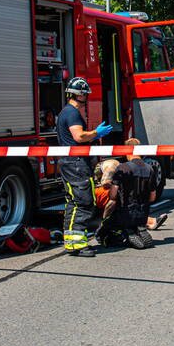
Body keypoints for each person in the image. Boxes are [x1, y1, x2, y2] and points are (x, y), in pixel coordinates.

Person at [57, 77, 113, 257]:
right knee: (83, 202)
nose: (87, 98)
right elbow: (79, 137)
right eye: (85, 95)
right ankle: (77, 245)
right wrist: (97, 133)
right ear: (80, 95)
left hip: (72, 163)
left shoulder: (67, 112)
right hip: (76, 165)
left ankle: (74, 244)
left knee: (75, 203)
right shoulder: (72, 113)